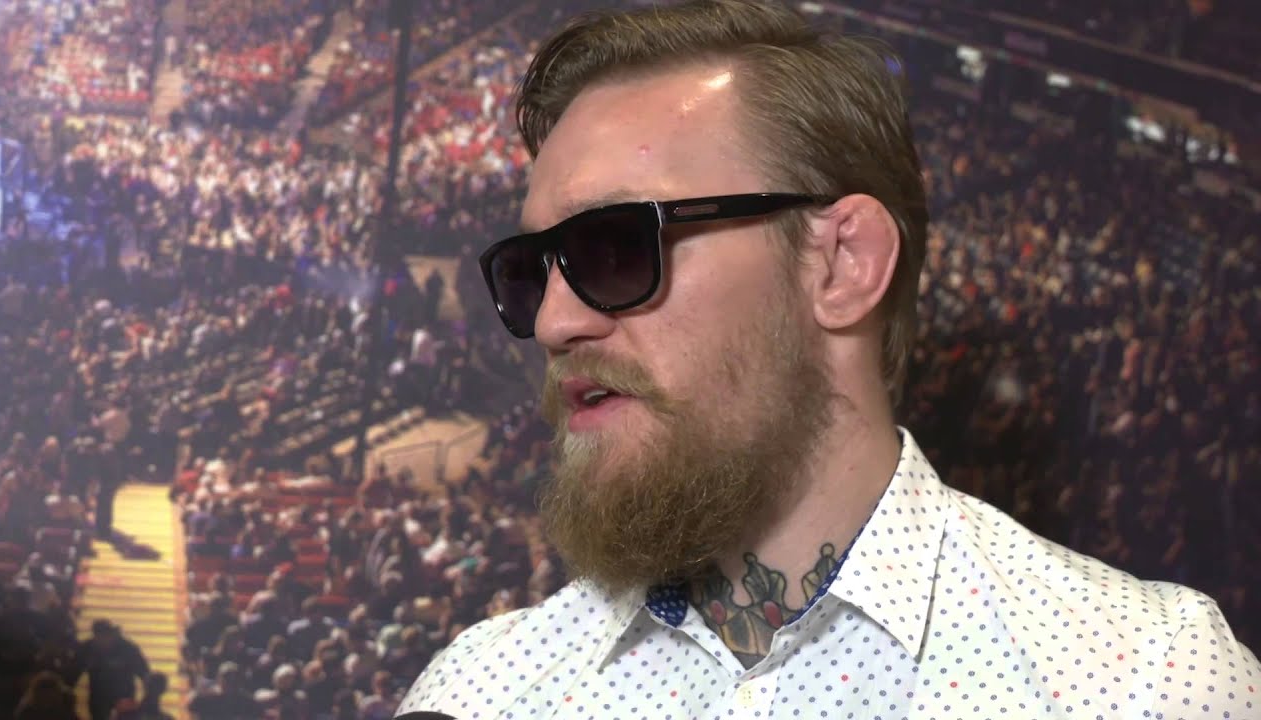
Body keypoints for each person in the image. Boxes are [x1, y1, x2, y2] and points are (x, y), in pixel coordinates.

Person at [395, 1, 1260, 718]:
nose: (552, 321)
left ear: (843, 263)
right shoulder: (478, 694)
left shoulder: (1147, 684)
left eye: (616, 247)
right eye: (529, 269)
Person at [72, 620, 151, 720]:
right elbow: (72, 674)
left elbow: (144, 673)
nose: (103, 641)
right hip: (99, 699)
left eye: (106, 636)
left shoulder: (128, 649)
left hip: (124, 699)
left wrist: (147, 698)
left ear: (112, 635)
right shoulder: (87, 649)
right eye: (99, 637)